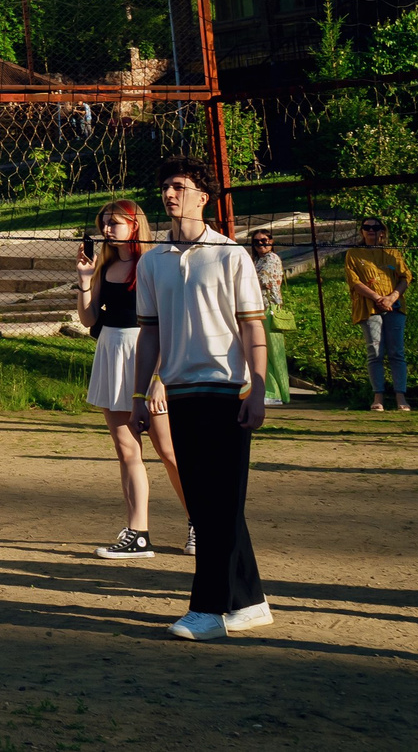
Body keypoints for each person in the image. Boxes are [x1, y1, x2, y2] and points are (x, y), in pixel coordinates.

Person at [132, 154, 273, 641]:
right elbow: (148, 334)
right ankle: (249, 601)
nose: (170, 194)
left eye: (179, 185)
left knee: (219, 502)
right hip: (180, 394)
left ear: (202, 195)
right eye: (165, 186)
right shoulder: (152, 261)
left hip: (228, 392)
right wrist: (137, 394)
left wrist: (257, 389)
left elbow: (253, 327)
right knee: (209, 502)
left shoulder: (232, 255)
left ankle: (208, 609)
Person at [75, 199, 191, 559]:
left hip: (146, 355)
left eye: (115, 223)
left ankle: (200, 522)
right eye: (104, 222)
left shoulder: (152, 264)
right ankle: (137, 533)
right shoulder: (104, 265)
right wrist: (83, 280)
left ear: (134, 225)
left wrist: (160, 377)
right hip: (110, 352)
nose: (107, 229)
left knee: (169, 450)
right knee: (127, 451)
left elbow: (168, 324)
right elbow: (89, 320)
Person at [345, 217, 417, 413]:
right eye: (366, 227)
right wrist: (378, 298)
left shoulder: (393, 253)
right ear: (361, 232)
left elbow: (405, 277)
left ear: (382, 232)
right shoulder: (354, 253)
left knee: (396, 352)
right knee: (375, 352)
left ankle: (400, 396)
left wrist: (392, 297)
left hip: (395, 306)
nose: (371, 230)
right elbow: (354, 281)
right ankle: (378, 396)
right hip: (369, 307)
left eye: (375, 228)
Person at [247, 229, 291, 406]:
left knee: (274, 352)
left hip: (269, 309)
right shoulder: (257, 260)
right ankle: (272, 390)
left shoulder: (271, 259)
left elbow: (261, 281)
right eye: (256, 242)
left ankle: (279, 392)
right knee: (264, 351)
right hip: (259, 308)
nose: (260, 245)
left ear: (271, 241)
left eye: (264, 240)